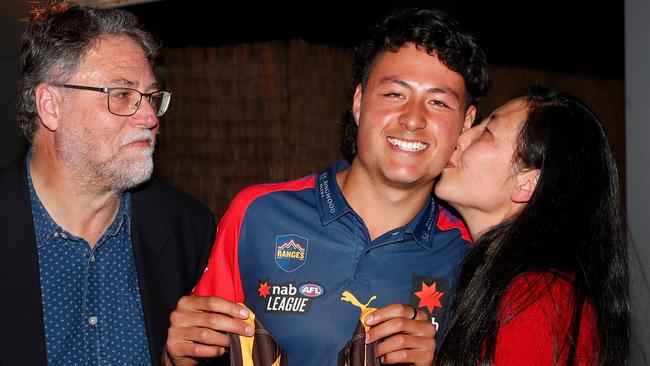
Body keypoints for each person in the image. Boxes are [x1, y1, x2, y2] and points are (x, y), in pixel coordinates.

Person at [165, 7, 489, 366]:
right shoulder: (258, 213)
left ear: (465, 124)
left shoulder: (469, 256)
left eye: (438, 102)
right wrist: (176, 356)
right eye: (395, 94)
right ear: (359, 101)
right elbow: (199, 347)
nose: (413, 119)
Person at [0, 3, 216, 366]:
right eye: (122, 95)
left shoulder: (188, 228)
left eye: (151, 97)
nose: (149, 116)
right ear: (50, 105)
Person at [433, 86, 630, 365]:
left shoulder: (538, 298)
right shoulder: (505, 279)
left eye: (487, 132)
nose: (461, 137)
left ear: (528, 183)